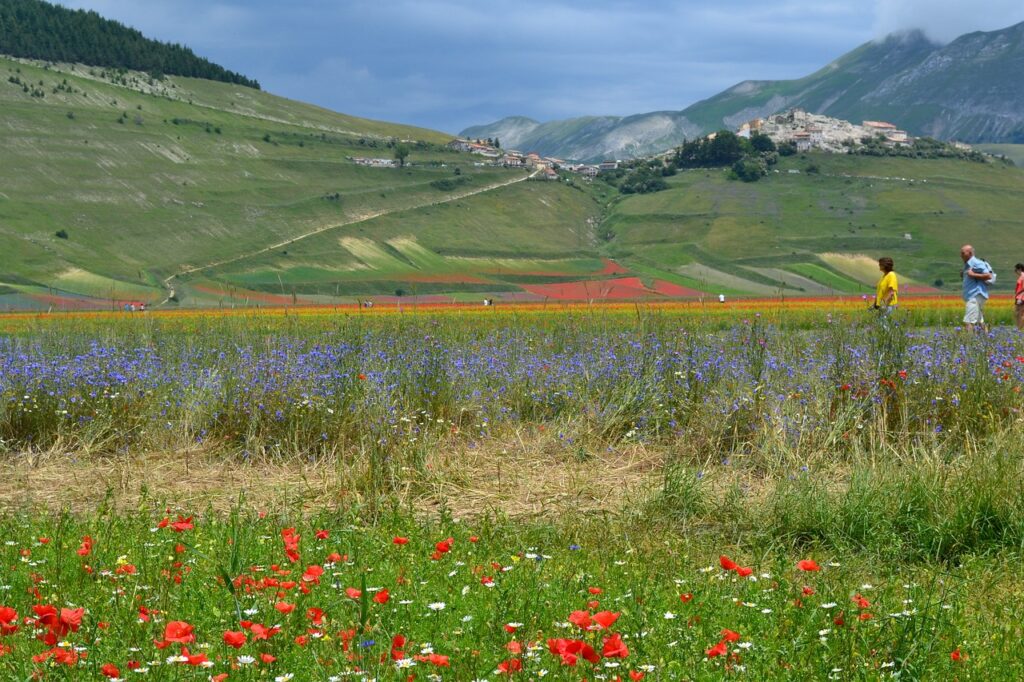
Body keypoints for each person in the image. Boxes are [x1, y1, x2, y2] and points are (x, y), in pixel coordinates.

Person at [960, 244, 993, 331]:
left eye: (963, 253)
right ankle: (987, 340)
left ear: (970, 253)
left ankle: (968, 342)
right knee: (979, 321)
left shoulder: (976, 262)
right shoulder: (968, 264)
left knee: (969, 321)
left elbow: (989, 276)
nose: (961, 255)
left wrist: (973, 274)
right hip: (972, 295)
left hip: (975, 295)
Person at [1015, 263, 1024, 330]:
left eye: (1016, 270)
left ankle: (1019, 329)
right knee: (1020, 313)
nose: (1015, 272)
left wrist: (1017, 293)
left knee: (1019, 314)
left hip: (1021, 297)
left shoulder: (1022, 276)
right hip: (1020, 296)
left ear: (1020, 269)